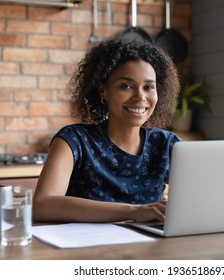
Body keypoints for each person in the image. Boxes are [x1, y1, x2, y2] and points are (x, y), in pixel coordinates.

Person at [33, 39, 182, 224]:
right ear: (103, 91)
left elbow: (201, 200)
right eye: (126, 86)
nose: (140, 97)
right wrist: (134, 211)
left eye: (148, 87)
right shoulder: (74, 141)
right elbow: (42, 205)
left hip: (149, 247)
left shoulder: (167, 145)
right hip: (87, 247)